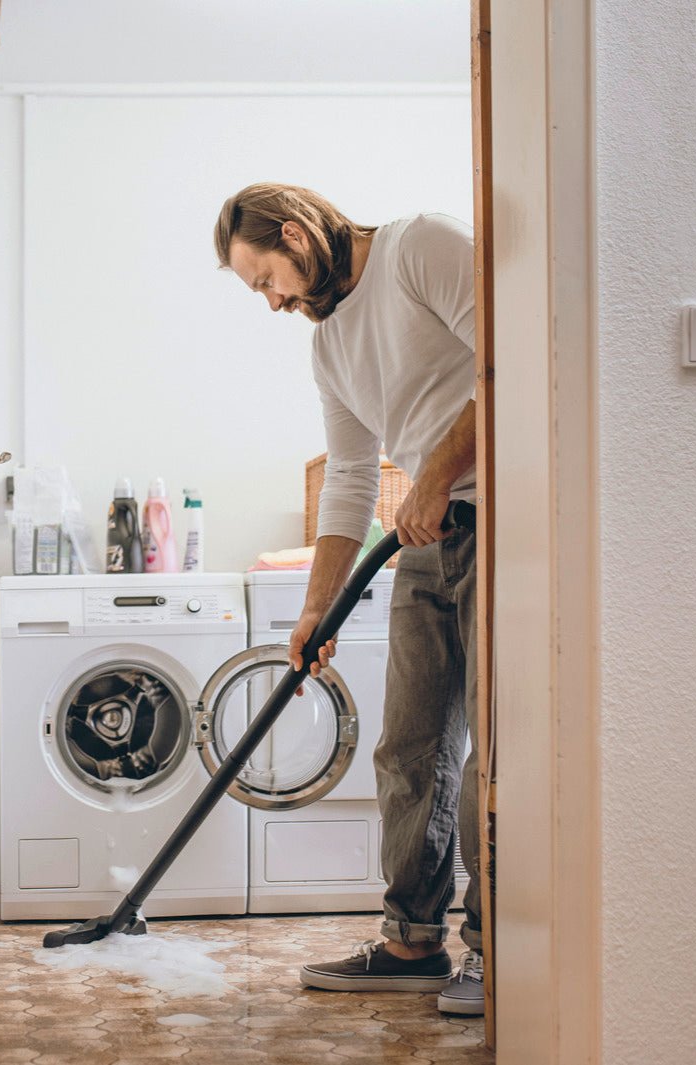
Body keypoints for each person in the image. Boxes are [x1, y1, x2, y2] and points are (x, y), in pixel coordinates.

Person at [213, 184, 483, 1016]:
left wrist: (436, 474)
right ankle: (412, 940)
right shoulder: (330, 346)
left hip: (504, 524)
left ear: (296, 235)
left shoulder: (421, 248)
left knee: (500, 758)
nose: (272, 302)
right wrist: (312, 612)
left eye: (267, 280)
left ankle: (501, 952)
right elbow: (351, 486)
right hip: (421, 546)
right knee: (409, 748)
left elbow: (515, 361)